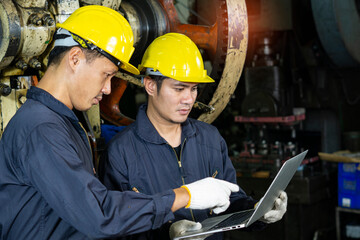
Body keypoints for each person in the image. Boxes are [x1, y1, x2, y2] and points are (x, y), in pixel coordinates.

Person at [0, 6, 241, 240]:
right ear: (75, 58)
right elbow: (99, 215)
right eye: (106, 75)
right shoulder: (41, 128)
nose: (107, 89)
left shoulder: (64, 123)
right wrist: (183, 196)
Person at [99, 33, 288, 240]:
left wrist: (258, 211)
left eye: (194, 89)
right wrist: (168, 233)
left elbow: (230, 202)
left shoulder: (210, 138)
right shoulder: (120, 152)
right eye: (179, 88)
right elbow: (116, 229)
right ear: (150, 85)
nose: (189, 99)